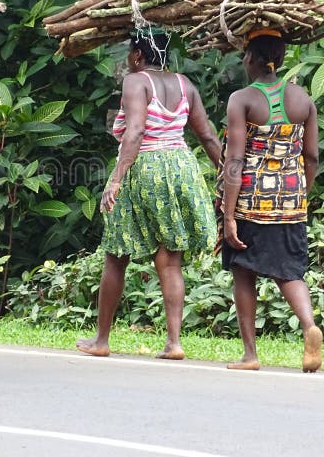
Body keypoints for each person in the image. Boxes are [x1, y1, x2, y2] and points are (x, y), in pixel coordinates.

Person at [76, 27, 222, 360]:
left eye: (129, 53)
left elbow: (137, 131)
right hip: (181, 168)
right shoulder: (185, 83)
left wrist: (115, 180)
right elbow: (208, 137)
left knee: (116, 256)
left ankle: (102, 340)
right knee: (169, 261)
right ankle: (174, 342)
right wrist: (226, 173)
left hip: (145, 167)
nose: (127, 60)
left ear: (138, 55)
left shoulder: (136, 81)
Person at [219, 28, 322, 372]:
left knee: (243, 272)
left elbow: (235, 160)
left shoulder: (242, 99)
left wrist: (229, 214)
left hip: (251, 201)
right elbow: (312, 157)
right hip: (291, 200)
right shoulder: (303, 99)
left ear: (253, 57)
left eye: (245, 55)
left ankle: (250, 354)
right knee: (290, 272)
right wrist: (300, 193)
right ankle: (310, 327)